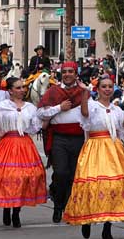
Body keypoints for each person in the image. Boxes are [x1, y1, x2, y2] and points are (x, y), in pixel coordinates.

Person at [64, 76, 124, 239]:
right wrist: (86, 93)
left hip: (114, 149)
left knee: (112, 186)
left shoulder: (117, 110)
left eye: (110, 86)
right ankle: (87, 219)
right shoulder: (93, 106)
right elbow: (85, 114)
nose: (107, 89)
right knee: (92, 184)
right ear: (98, 89)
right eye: (104, 86)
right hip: (95, 148)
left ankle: (107, 228)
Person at [0, 77, 47, 228]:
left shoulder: (30, 107)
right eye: (18, 87)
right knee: (8, 176)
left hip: (24, 143)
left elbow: (35, 127)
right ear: (10, 91)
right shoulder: (3, 106)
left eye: (23, 87)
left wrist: (45, 119)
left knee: (24, 177)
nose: (22, 90)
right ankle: (7, 207)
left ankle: (16, 210)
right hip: (8, 143)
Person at [36, 61, 87, 224]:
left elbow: (90, 113)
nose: (67, 74)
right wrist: (59, 108)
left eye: (70, 71)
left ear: (75, 73)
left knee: (74, 174)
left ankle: (68, 207)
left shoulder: (83, 92)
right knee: (61, 172)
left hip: (78, 138)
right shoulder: (53, 92)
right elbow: (41, 113)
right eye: (64, 71)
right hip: (59, 138)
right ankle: (58, 205)